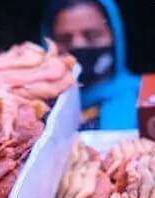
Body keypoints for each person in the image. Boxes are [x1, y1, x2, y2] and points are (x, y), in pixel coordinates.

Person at [44, 0, 140, 130]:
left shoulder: (146, 99)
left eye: (92, 35)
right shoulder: (38, 112)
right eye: (65, 39)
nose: (78, 45)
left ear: (116, 37)